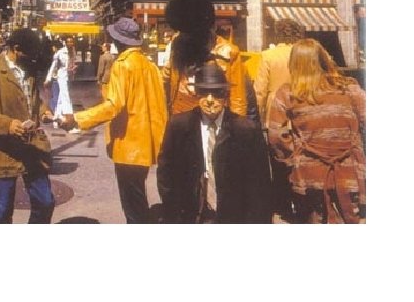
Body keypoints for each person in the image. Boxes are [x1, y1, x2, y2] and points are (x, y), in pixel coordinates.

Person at [61, 17, 167, 224]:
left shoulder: (123, 65)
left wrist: (78, 119)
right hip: (148, 142)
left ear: (119, 41)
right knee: (138, 197)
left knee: (133, 204)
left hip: (129, 145)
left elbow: (114, 105)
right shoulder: (150, 65)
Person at [156, 62, 272, 223]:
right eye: (204, 92)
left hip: (233, 217)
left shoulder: (246, 130)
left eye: (216, 93)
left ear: (225, 95)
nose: (210, 100)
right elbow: (166, 172)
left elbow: (260, 183)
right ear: (196, 94)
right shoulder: (179, 126)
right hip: (191, 215)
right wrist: (172, 211)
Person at [268, 39, 365, 224]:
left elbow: (275, 136)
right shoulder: (349, 87)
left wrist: (293, 157)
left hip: (308, 175)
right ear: (323, 59)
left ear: (293, 63)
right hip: (349, 171)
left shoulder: (287, 93)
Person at [0, 29, 55, 224]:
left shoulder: (29, 68)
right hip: (4, 151)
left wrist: (44, 111)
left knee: (45, 202)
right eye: (30, 53)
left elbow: (33, 99)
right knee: (2, 211)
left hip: (32, 148)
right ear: (16, 49)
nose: (33, 58)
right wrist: (7, 124)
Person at [253, 18, 304, 221]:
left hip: (274, 116)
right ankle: (300, 199)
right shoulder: (304, 55)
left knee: (278, 160)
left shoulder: (268, 56)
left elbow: (259, 91)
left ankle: (282, 204)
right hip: (302, 111)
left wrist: (255, 118)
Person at [45, 36, 79, 133]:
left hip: (69, 77)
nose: (70, 44)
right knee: (66, 98)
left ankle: (56, 119)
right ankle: (70, 124)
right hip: (61, 77)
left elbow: (72, 64)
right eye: (68, 42)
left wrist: (73, 69)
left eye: (71, 42)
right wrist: (48, 78)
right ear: (65, 43)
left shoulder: (73, 52)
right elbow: (53, 66)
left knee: (60, 99)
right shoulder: (60, 53)